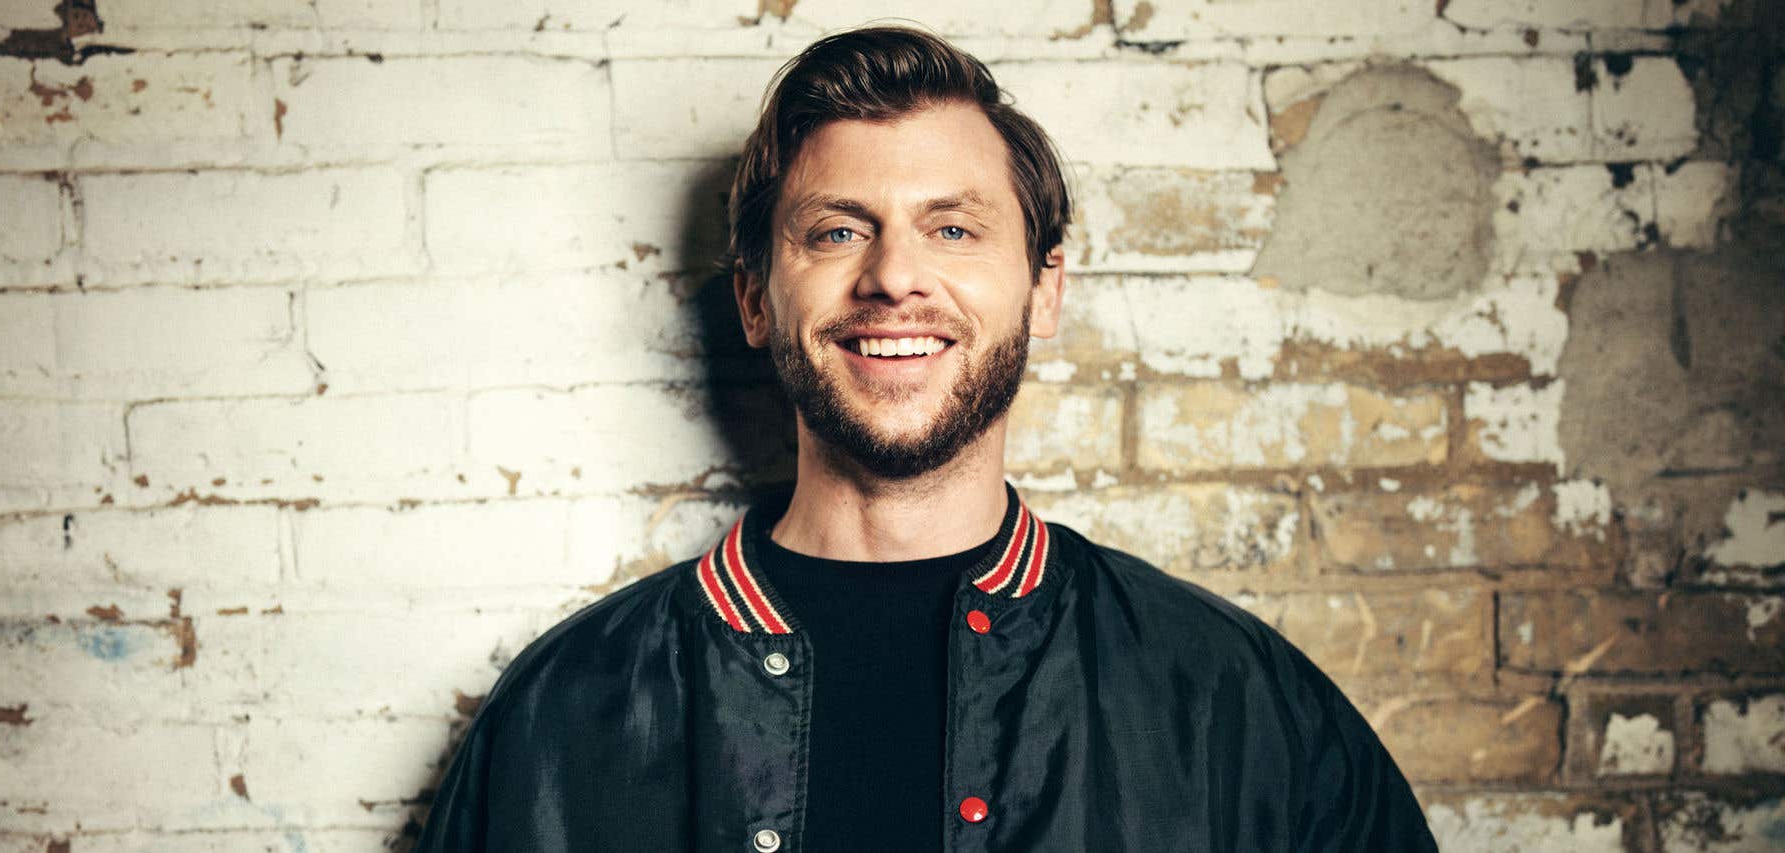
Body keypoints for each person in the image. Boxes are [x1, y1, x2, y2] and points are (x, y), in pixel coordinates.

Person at [415, 25, 1438, 853]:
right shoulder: (567, 716)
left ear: (1043, 290)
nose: (892, 276)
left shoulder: (1228, 702)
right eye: (835, 230)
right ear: (755, 302)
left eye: (953, 228)